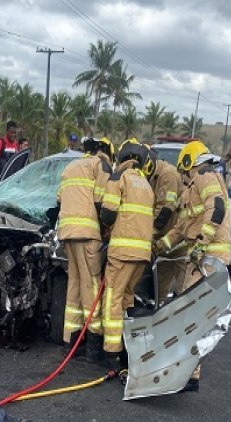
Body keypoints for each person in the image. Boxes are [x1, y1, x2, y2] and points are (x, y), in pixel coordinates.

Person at [154, 140, 231, 392]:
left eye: (184, 170)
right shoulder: (193, 186)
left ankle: (188, 374)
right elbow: (181, 227)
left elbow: (216, 208)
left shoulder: (205, 175)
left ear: (189, 162)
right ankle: (189, 373)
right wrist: (160, 245)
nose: (184, 175)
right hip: (199, 255)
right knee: (190, 313)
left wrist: (202, 243)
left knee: (193, 315)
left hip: (206, 256)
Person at [95, 139, 155, 377]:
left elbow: (108, 213)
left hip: (122, 252)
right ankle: (128, 351)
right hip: (141, 255)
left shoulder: (118, 177)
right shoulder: (145, 184)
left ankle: (111, 353)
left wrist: (104, 227)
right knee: (127, 300)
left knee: (112, 299)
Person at [56, 137, 114, 358]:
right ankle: (92, 344)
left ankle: (70, 339)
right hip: (88, 234)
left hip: (67, 233)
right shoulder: (101, 165)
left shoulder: (71, 167)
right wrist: (105, 230)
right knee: (90, 284)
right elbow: (102, 202)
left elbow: (59, 200)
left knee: (75, 282)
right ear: (105, 151)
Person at [149, 147, 185, 300]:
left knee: (184, 288)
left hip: (179, 240)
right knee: (159, 287)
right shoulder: (151, 177)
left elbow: (165, 210)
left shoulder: (168, 175)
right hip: (165, 242)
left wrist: (149, 234)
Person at [0, 120, 19, 185]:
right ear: (7, 132)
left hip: (11, 181)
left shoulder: (16, 145)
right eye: (11, 133)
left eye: (15, 133)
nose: (13, 135)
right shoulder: (0, 143)